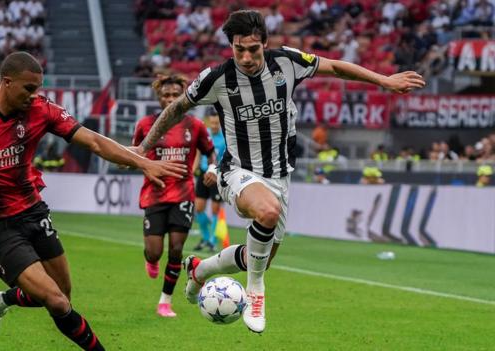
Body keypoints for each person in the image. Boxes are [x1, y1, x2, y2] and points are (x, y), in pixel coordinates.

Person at [133, 10, 425, 333]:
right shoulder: (216, 79)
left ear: (265, 44)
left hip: (280, 175)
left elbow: (336, 67)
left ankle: (200, 270)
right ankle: (255, 291)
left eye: (253, 49)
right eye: (238, 49)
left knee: (259, 254)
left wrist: (383, 80)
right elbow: (176, 110)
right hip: (238, 170)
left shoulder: (286, 63)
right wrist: (144, 147)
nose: (246, 57)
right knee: (266, 214)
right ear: (230, 46)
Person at [0, 52, 186, 350]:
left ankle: (0, 299)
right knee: (55, 300)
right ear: (6, 82)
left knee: (62, 296)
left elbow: (94, 141)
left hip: (32, 212)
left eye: (38, 89)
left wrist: (140, 162)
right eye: (29, 89)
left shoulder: (43, 111)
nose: (35, 96)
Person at [132, 74, 216, 318]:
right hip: (154, 194)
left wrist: (212, 169)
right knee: (155, 251)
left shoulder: (195, 126)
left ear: (184, 96)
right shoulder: (146, 125)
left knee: (177, 249)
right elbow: (135, 153)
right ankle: (151, 258)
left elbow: (210, 153)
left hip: (183, 194)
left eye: (175, 95)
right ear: (158, 97)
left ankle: (165, 302)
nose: (170, 99)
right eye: (165, 95)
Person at [193, 111, 226, 252]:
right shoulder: (205, 134)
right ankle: (206, 237)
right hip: (203, 173)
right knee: (198, 208)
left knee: (215, 210)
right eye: (212, 122)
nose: (214, 126)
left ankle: (213, 240)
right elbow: (198, 153)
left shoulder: (225, 138)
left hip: (217, 175)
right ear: (208, 122)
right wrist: (192, 170)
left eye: (216, 123)